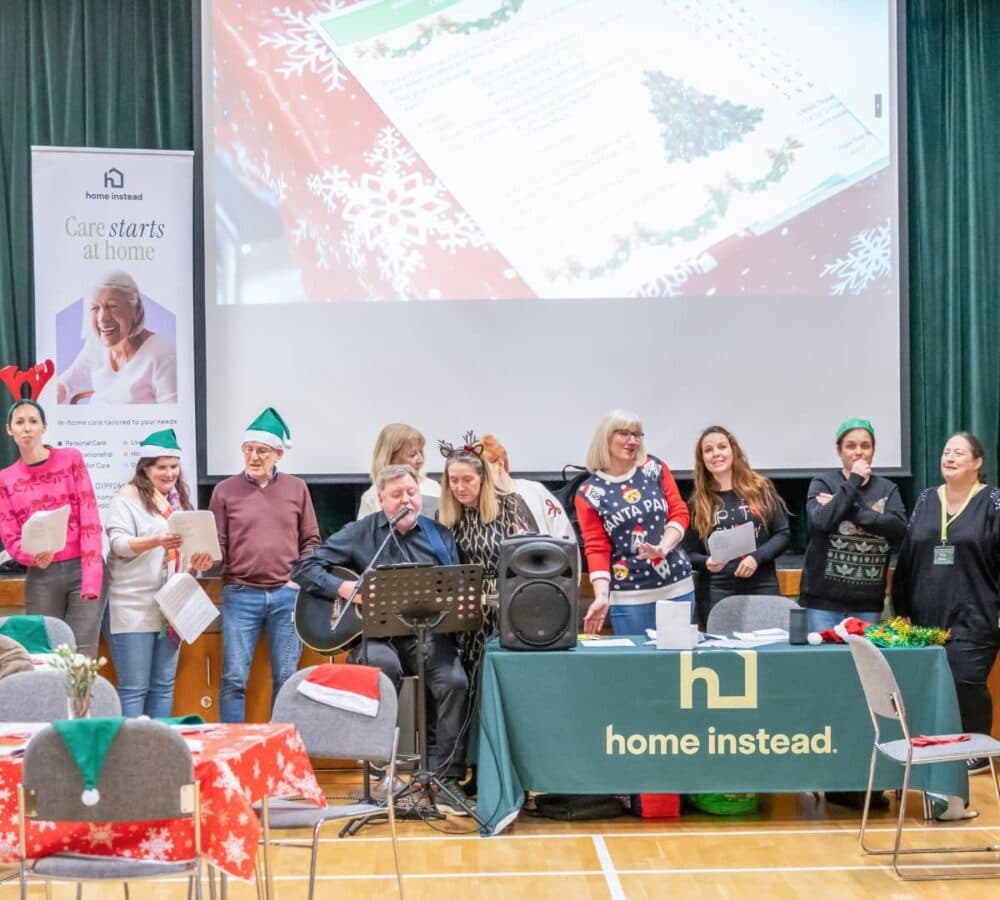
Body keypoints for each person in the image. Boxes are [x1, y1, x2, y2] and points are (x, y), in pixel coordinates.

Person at [291, 463, 474, 815]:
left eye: (412, 493)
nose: (407, 500)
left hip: (424, 635)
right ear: (381, 500)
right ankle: (382, 771)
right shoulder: (360, 533)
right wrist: (343, 587)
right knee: (379, 668)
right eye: (397, 495)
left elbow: (457, 587)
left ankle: (445, 777)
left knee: (454, 681)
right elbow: (304, 568)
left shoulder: (439, 535)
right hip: (375, 635)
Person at [892, 432, 1000, 775]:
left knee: (967, 680)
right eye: (945, 451)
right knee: (934, 683)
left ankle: (978, 750)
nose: (949, 457)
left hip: (976, 612)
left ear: (978, 463)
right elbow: (907, 556)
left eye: (959, 453)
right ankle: (940, 748)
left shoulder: (993, 501)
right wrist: (901, 607)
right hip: (926, 613)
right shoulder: (926, 499)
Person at [209, 407, 320, 722]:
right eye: (248, 449)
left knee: (287, 678)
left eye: (262, 451)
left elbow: (311, 541)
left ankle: (277, 749)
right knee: (233, 678)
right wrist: (205, 556)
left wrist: (299, 579)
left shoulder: (296, 488)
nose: (253, 456)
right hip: (240, 595)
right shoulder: (224, 491)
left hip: (288, 596)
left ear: (278, 454)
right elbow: (217, 545)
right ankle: (233, 749)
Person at [104, 429, 213, 717]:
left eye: (174, 466)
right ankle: (132, 757)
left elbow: (186, 557)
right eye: (161, 467)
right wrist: (157, 540)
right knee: (134, 688)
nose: (169, 473)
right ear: (145, 468)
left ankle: (159, 753)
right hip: (132, 607)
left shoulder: (180, 502)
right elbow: (118, 545)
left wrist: (197, 563)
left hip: (172, 608)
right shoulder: (126, 498)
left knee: (164, 686)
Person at [0, 399, 104, 656]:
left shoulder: (71, 460)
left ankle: (80, 699)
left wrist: (92, 580)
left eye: (33, 421)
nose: (27, 428)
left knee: (81, 655)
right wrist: (31, 557)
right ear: (9, 430)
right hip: (41, 573)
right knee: (44, 651)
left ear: (44, 426)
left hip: (82, 569)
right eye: (20, 422)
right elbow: (10, 535)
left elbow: (90, 519)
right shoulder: (5, 479)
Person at [575, 410, 694, 635]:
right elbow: (596, 547)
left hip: (677, 588)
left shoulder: (654, 468)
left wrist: (663, 547)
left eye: (637, 435)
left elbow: (679, 512)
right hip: (629, 596)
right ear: (605, 438)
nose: (633, 441)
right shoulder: (589, 492)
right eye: (624, 434)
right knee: (636, 668)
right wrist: (601, 595)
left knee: (677, 667)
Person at [799, 418, 906, 632]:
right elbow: (821, 521)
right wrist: (854, 480)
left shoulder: (888, 489)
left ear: (873, 451)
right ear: (839, 451)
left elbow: (898, 529)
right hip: (822, 603)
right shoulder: (823, 483)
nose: (859, 452)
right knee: (824, 664)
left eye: (865, 446)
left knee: (862, 664)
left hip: (867, 603)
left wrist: (850, 511)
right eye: (851, 446)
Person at [685, 426, 790, 614]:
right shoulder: (698, 502)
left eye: (722, 447)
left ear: (733, 451)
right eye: (708, 450)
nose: (716, 453)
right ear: (702, 460)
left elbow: (782, 534)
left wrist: (756, 558)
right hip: (718, 591)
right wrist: (706, 562)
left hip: (762, 585)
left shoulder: (760, 488)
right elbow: (689, 553)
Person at [438, 433, 537, 600]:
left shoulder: (509, 505)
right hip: (465, 602)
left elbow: (536, 557)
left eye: (468, 480)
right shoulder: (443, 516)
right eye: (453, 481)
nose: (460, 488)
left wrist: (523, 544)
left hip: (507, 600)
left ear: (482, 478)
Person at [56, 271, 177, 405]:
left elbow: (170, 416)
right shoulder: (96, 344)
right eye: (95, 308)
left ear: (136, 310)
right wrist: (52, 394)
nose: (102, 318)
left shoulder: (162, 355)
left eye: (112, 306)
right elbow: (67, 382)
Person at [480, 433, 578, 547]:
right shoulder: (479, 502)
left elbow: (564, 534)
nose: (480, 475)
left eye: (483, 469)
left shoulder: (533, 491)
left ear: (500, 464)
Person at [356, 423, 440, 518]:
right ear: (392, 458)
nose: (420, 459)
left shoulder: (433, 488)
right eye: (412, 455)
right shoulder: (372, 496)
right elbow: (362, 532)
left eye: (421, 452)